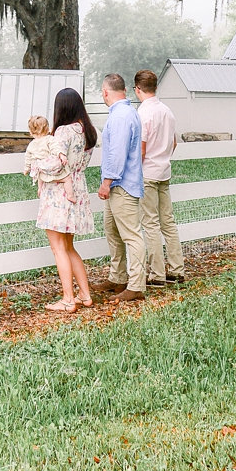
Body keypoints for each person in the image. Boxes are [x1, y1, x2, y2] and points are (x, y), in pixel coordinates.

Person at [28, 105, 96, 311]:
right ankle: (84, 295)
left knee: (58, 248)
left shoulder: (62, 132)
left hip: (58, 193)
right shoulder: (86, 130)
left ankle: (68, 299)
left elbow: (56, 164)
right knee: (68, 247)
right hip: (76, 188)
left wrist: (36, 165)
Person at [91, 73, 146, 302]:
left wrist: (106, 182)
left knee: (131, 236)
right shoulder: (123, 113)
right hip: (117, 185)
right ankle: (118, 277)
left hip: (121, 185)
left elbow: (118, 153)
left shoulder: (121, 116)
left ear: (105, 92)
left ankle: (136, 285)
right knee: (112, 232)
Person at [134, 68, 183, 287]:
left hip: (147, 172)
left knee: (150, 224)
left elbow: (141, 150)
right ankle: (176, 269)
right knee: (168, 222)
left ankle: (156, 273)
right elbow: (174, 143)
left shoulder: (143, 113)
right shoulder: (167, 111)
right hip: (164, 171)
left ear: (137, 89)